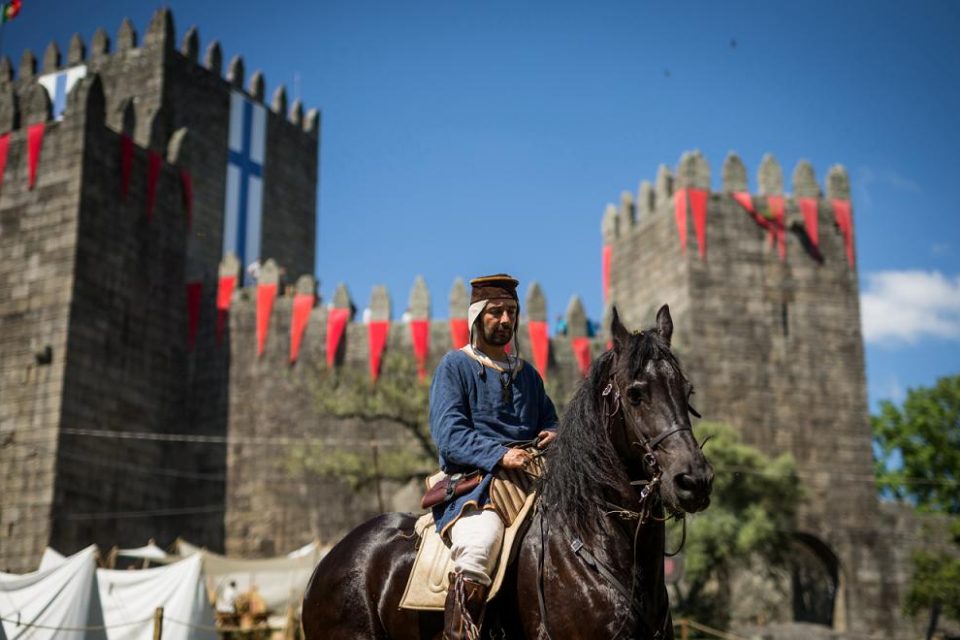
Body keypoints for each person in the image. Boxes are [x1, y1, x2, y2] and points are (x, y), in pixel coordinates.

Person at [429, 273, 559, 639]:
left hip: (534, 483)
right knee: (479, 545)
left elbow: (550, 420)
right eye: (495, 312)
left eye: (511, 312)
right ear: (476, 317)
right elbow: (450, 436)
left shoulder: (528, 376)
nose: (505, 320)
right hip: (477, 490)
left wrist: (554, 433)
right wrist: (501, 457)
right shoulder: (455, 366)